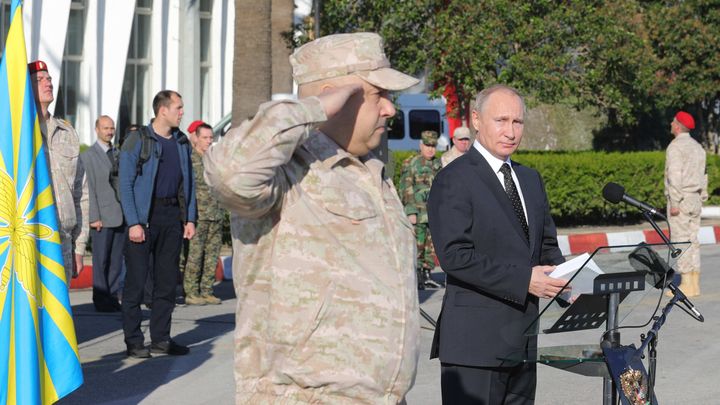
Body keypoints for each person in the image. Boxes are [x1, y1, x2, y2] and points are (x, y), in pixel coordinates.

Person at [203, 33, 420, 403]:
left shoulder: (370, 173)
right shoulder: (287, 172)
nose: (389, 109)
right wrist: (310, 108)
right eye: (376, 94)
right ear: (335, 98)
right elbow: (228, 173)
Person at [427, 84, 567, 404]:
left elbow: (545, 244)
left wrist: (567, 277)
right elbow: (454, 256)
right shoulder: (454, 178)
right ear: (476, 120)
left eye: (517, 122)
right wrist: (524, 279)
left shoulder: (529, 179)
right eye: (501, 120)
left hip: (522, 342)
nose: (511, 131)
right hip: (474, 347)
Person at [119, 90, 197, 358]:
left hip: (172, 218)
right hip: (143, 220)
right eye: (179, 107)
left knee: (166, 284)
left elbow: (189, 183)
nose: (182, 112)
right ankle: (134, 341)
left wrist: (190, 217)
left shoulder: (181, 142)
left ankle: (161, 339)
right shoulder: (137, 140)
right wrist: (133, 223)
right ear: (163, 110)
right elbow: (125, 185)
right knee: (136, 284)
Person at [28, 60, 89, 284]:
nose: (48, 83)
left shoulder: (67, 131)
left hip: (63, 237)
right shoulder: (18, 134)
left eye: (49, 79)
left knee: (60, 315)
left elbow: (81, 192)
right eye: (39, 80)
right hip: (29, 238)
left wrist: (79, 246)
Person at [80, 115, 125, 312]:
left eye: (112, 128)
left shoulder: (118, 153)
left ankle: (112, 295)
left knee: (116, 260)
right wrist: (93, 217)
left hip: (120, 215)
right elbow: (88, 188)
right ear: (97, 129)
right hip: (102, 218)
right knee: (101, 260)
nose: (109, 131)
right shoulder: (88, 156)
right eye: (105, 128)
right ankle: (100, 297)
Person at [665, 111, 708, 297]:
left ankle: (685, 283)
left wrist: (674, 201)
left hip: (681, 199)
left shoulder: (675, 147)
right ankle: (695, 284)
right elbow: (704, 174)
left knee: (680, 240)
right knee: (693, 240)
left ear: (677, 126)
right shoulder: (697, 147)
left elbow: (675, 177)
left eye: (673, 122)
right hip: (695, 197)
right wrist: (703, 194)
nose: (671, 124)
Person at [182, 122, 224, 305]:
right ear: (196, 138)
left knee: (212, 254)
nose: (208, 141)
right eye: (205, 138)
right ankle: (191, 291)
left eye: (210, 137)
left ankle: (207, 289)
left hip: (216, 213)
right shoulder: (190, 159)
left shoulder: (214, 159)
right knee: (195, 254)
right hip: (198, 214)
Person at [399, 130, 443, 289]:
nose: (430, 149)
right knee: (417, 245)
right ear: (421, 144)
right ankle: (416, 276)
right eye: (427, 145)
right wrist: (410, 211)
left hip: (433, 213)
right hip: (417, 213)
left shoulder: (438, 164)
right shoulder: (411, 163)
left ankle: (427, 274)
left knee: (431, 246)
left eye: (433, 146)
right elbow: (405, 187)